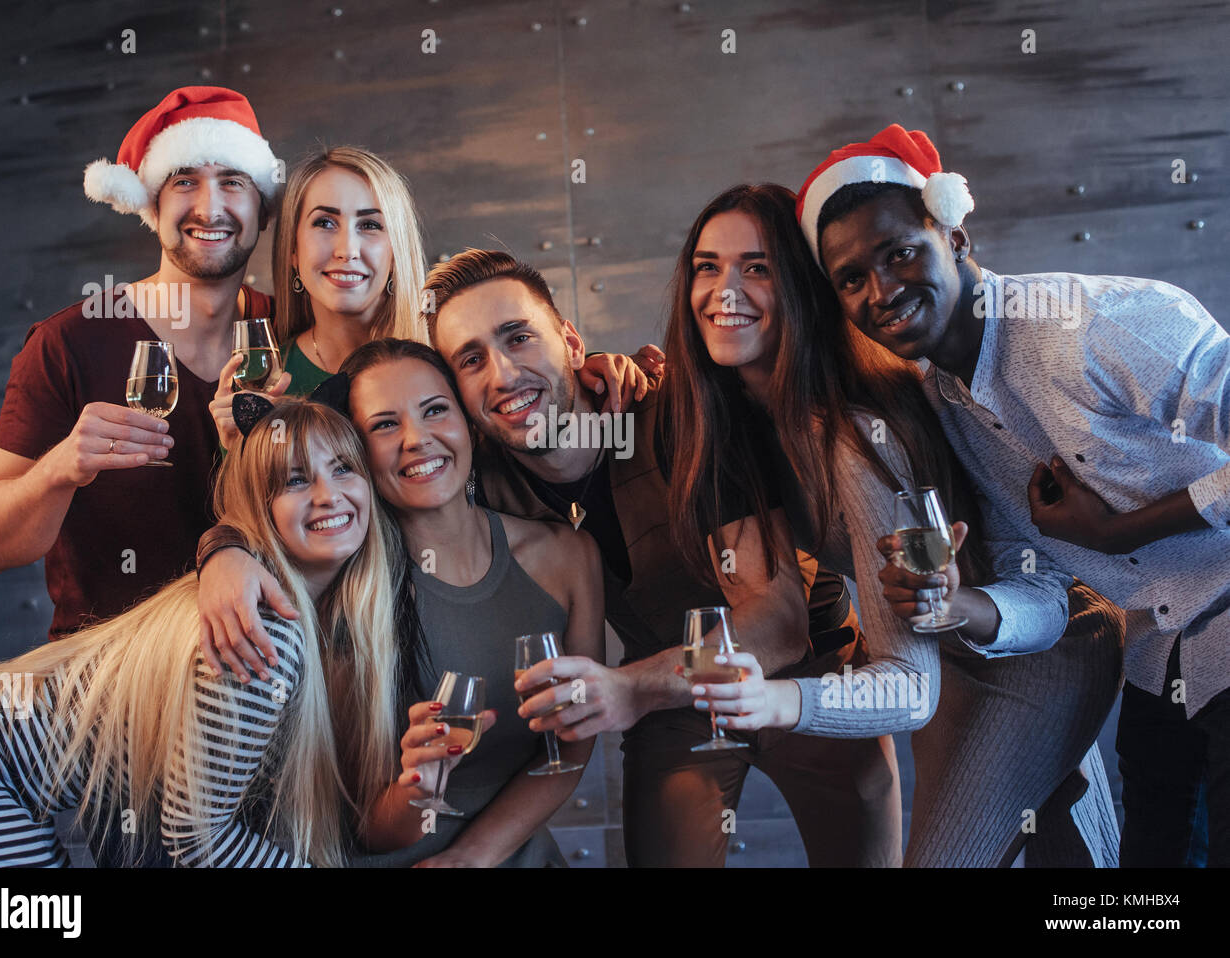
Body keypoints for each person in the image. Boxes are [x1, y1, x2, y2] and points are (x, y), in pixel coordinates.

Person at [801, 124, 1230, 866]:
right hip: (1159, 662)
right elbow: (1046, 588)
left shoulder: (1090, 327)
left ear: (954, 234)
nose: (882, 291)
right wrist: (958, 604)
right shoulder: (944, 412)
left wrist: (1122, 532)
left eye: (899, 252)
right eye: (851, 279)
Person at [666, 183, 1124, 867]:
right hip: (953, 661)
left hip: (1034, 652)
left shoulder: (854, 439)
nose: (724, 289)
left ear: (801, 285)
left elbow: (907, 686)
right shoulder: (739, 425)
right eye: (708, 266)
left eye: (756, 267)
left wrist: (773, 700)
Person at [414, 250, 900, 867]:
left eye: (519, 337)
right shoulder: (478, 482)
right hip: (674, 700)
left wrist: (629, 687)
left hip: (812, 677)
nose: (504, 373)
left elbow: (777, 626)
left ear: (569, 340)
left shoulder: (681, 417)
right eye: (472, 358)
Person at [0, 399, 458, 867]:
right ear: (262, 509)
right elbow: (198, 839)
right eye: (295, 481)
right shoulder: (264, 625)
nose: (328, 495)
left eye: (344, 469)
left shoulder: (286, 608)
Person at [200, 341, 603, 866]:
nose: (417, 439)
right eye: (384, 425)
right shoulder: (342, 592)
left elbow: (568, 751)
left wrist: (475, 857)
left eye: (435, 410)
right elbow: (366, 829)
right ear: (353, 451)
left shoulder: (570, 556)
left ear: (469, 422)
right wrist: (419, 785)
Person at [0, 86, 277, 642]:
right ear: (152, 204)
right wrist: (63, 466)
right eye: (184, 181)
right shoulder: (69, 341)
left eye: (233, 182)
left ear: (263, 207)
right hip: (104, 688)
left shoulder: (291, 337)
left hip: (265, 679)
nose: (210, 207)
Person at [208, 146, 649, 450]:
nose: (347, 249)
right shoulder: (264, 381)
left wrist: (596, 375)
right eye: (325, 223)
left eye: (371, 225)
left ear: (397, 248)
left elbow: (538, 393)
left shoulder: (452, 355)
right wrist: (239, 451)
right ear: (292, 250)